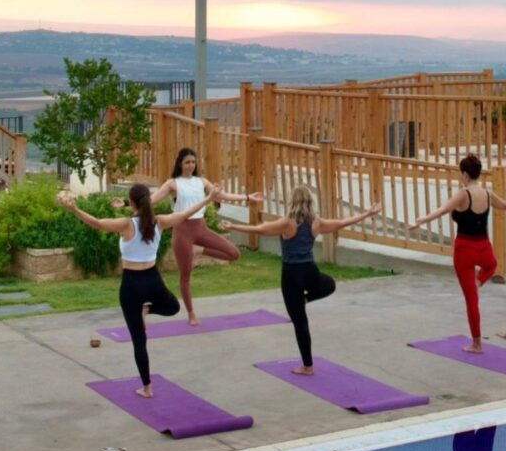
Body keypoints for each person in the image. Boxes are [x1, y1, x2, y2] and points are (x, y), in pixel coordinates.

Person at [57, 181, 216, 397]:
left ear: (131, 203)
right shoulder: (160, 222)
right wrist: (208, 199)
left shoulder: (126, 224)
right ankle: (148, 309)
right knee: (173, 307)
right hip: (152, 279)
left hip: (131, 284)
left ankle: (147, 388)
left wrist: (73, 208)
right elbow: (186, 214)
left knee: (139, 340)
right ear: (148, 201)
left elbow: (97, 223)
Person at [221, 186, 381, 375]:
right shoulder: (317, 223)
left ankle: (307, 366)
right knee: (329, 284)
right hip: (310, 271)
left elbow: (260, 229)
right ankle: (305, 301)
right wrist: (367, 213)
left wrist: (232, 226)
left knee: (300, 322)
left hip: (291, 275)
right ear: (310, 202)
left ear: (292, 202)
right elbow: (341, 223)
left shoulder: (287, 223)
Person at [408, 153, 506, 354]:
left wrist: (422, 220)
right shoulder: (487, 194)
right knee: (492, 265)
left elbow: (443, 210)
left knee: (471, 301)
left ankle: (477, 344)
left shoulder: (463, 194)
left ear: (466, 175)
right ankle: (478, 283)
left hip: (464, 251)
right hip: (484, 247)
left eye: (461, 173)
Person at [142, 147, 263, 326]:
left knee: (234, 254)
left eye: (193, 162)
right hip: (182, 232)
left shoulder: (202, 182)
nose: (191, 165)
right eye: (187, 162)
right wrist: (127, 203)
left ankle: (199, 250)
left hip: (201, 228)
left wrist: (247, 197)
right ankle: (191, 313)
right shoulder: (172, 184)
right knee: (185, 276)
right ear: (180, 164)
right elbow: (151, 200)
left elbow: (222, 195)